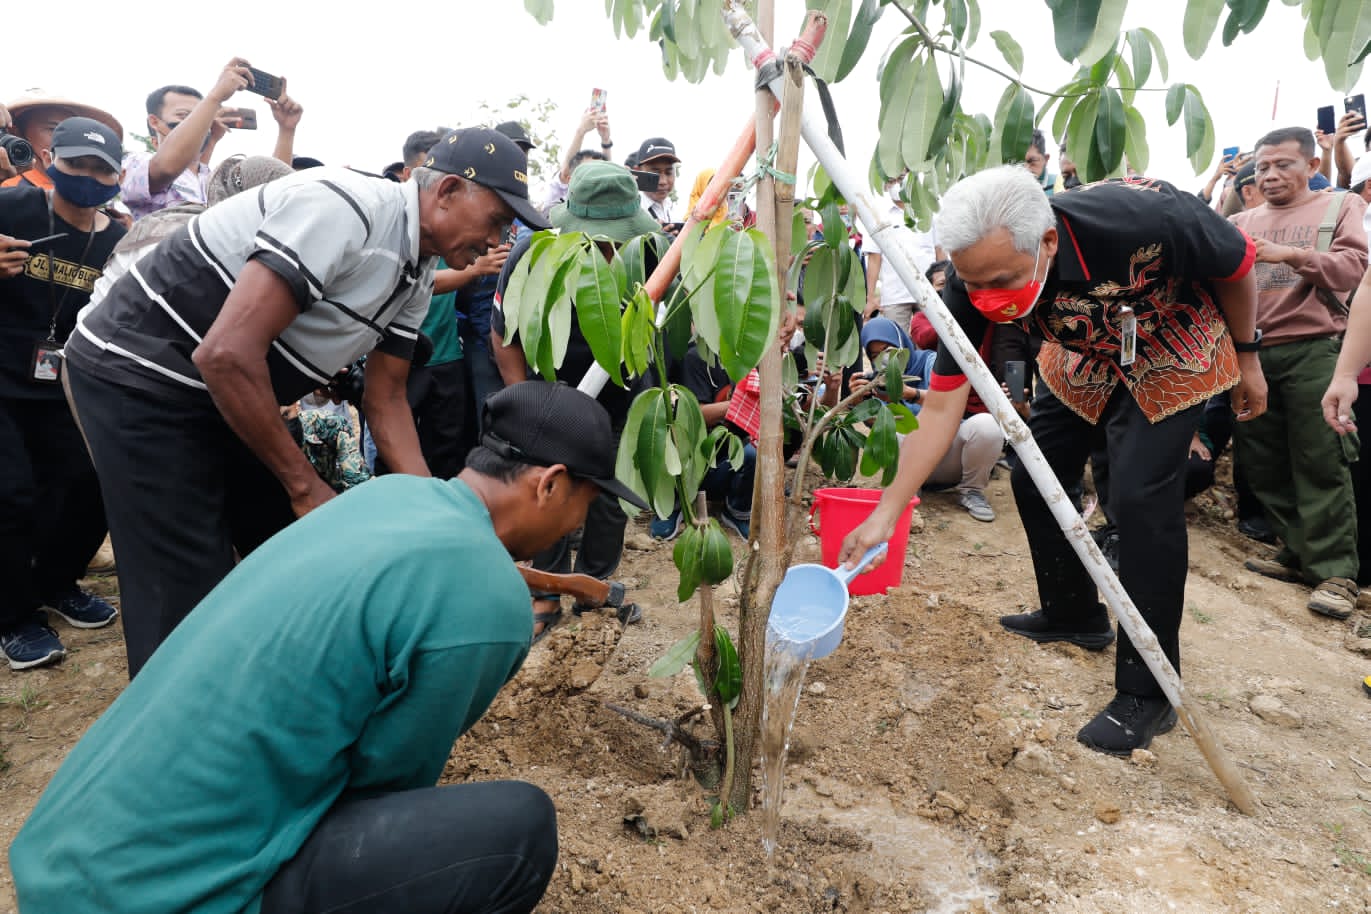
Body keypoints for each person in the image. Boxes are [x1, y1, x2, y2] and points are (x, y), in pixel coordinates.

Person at [9, 380, 647, 914]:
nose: (578, 523)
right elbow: (384, 788)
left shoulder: (391, 495)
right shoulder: (488, 603)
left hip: (66, 855)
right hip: (157, 897)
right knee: (519, 831)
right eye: (586, 505)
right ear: (549, 484)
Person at [66, 126, 549, 678]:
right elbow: (224, 354)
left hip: (224, 390)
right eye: (495, 219)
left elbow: (386, 397)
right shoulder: (347, 210)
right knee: (182, 572)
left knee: (295, 543)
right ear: (446, 192)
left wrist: (435, 515)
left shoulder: (417, 270)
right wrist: (303, 485)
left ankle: (277, 676)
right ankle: (172, 726)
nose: (497, 240)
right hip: (140, 373)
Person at [840, 166, 1266, 757]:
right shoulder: (972, 283)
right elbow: (940, 409)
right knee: (1036, 474)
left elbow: (1237, 263)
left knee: (1142, 500)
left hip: (1171, 336)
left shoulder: (1147, 219)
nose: (988, 299)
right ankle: (1074, 614)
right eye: (973, 283)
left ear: (1047, 241)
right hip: (1082, 348)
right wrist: (887, 512)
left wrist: (1248, 358)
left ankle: (1149, 692)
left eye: (1002, 279)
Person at [491, 159, 662, 639]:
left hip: (621, 389)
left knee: (609, 494)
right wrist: (522, 401)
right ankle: (545, 591)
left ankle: (597, 587)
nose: (608, 247)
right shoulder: (533, 252)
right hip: (551, 389)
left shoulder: (647, 255)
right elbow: (503, 335)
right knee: (549, 491)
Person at [0, 117, 127, 670]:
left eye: (102, 168)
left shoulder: (119, 241)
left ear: (118, 175)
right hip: (1, 381)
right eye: (77, 164)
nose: (89, 176)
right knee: (9, 494)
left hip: (66, 386)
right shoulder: (11, 210)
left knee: (86, 485)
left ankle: (56, 582)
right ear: (52, 160)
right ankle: (12, 616)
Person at [1231, 126, 1368, 620]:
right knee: (1262, 458)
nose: (1269, 175)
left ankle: (1336, 572)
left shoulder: (1337, 208)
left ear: (1312, 166)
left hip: (1313, 347)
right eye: (1262, 166)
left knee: (1321, 459)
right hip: (1252, 353)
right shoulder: (1241, 218)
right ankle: (1297, 553)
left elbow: (1355, 269)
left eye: (1283, 164)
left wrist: (1292, 254)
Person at [853, 318, 1003, 522]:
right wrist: (860, 404)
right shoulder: (876, 382)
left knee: (987, 426)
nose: (885, 359)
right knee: (892, 431)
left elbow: (950, 403)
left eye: (889, 349)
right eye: (876, 355)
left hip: (949, 457)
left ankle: (971, 491)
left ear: (902, 344)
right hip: (911, 464)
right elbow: (878, 430)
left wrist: (909, 394)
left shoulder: (929, 361)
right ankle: (908, 491)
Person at [123, 59, 303, 220]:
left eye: (200, 115)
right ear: (155, 122)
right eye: (184, 116)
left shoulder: (213, 178)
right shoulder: (135, 164)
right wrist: (215, 97)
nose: (197, 122)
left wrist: (286, 129)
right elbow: (166, 167)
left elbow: (272, 193)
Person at [0, 92, 123, 188]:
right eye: (53, 129)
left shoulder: (81, 187)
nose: (65, 139)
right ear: (16, 133)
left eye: (72, 132)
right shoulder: (9, 187)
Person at [635, 136, 680, 224]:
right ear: (638, 172)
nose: (663, 181)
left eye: (668, 173)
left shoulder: (677, 211)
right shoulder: (631, 212)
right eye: (655, 174)